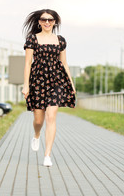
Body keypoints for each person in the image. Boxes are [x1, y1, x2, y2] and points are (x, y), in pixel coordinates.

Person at [22, 9, 76, 167]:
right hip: (38, 81)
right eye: (44, 19)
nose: (47, 22)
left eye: (50, 20)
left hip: (57, 81)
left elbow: (64, 63)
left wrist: (71, 84)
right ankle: (37, 134)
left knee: (51, 117)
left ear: (55, 22)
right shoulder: (32, 39)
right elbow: (27, 64)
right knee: (38, 120)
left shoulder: (60, 40)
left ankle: (47, 155)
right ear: (39, 22)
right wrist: (26, 85)